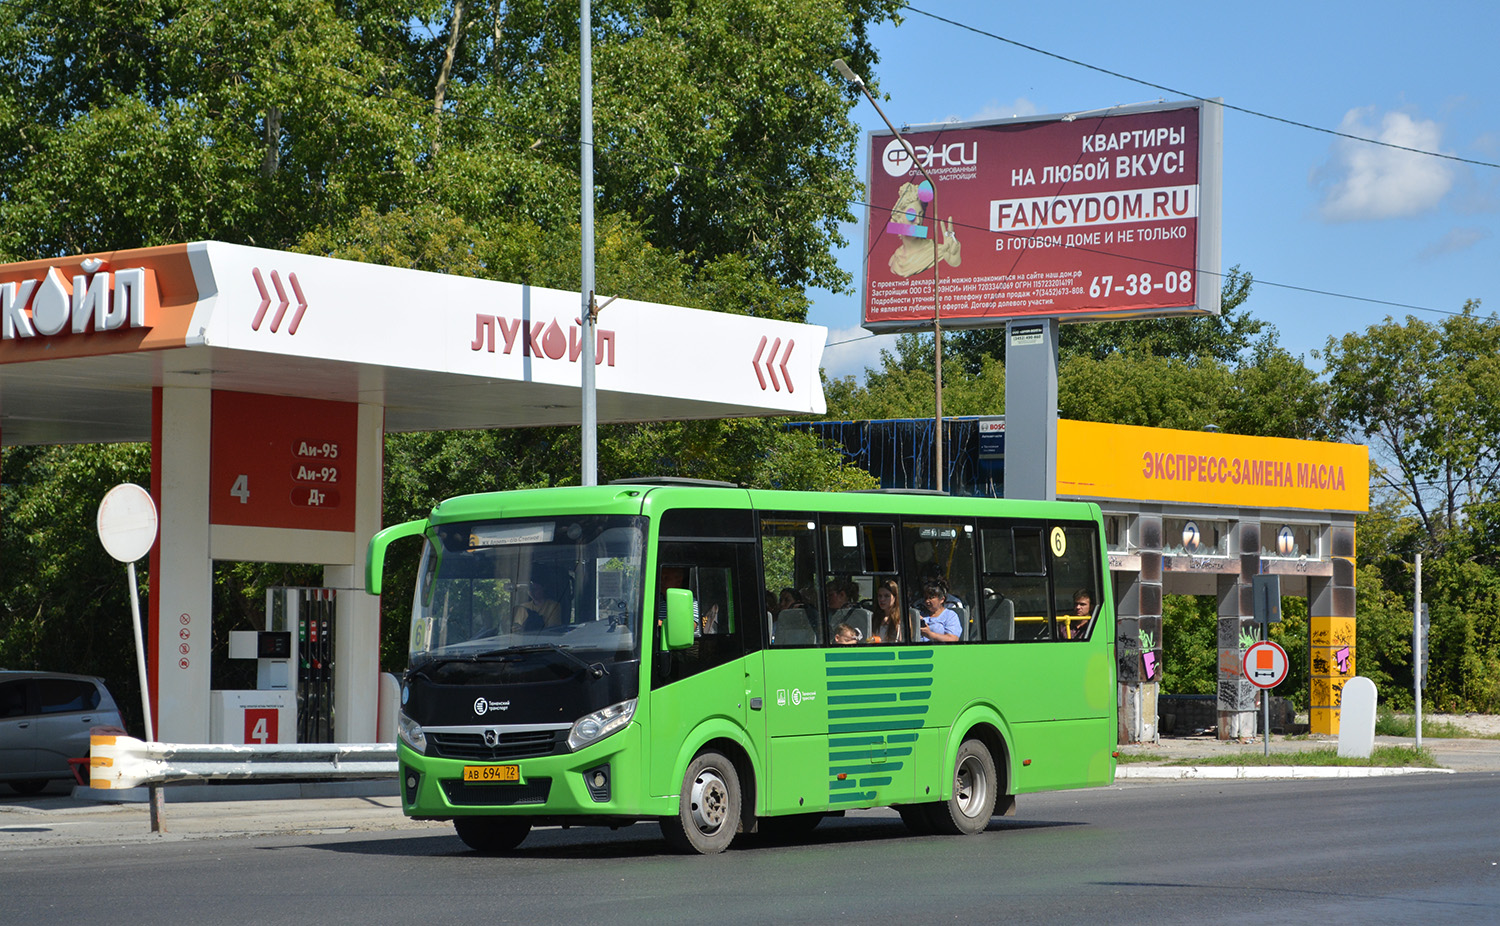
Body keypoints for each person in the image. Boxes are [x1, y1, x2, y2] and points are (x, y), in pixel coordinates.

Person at [870, 579, 905, 643]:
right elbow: (868, 639)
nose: (882, 599)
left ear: (895, 597)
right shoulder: (874, 618)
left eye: (886, 596)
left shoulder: (902, 618)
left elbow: (902, 642)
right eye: (880, 596)